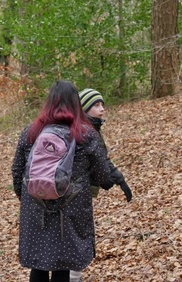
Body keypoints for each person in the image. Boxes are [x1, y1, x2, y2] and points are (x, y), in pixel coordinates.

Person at [11, 81, 111, 282]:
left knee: (38, 265)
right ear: (76, 103)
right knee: (63, 265)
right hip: (70, 208)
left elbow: (17, 171)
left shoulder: (30, 132)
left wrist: (30, 198)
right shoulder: (86, 134)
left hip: (35, 207)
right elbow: (103, 175)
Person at [69, 88, 133, 282]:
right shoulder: (83, 131)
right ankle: (73, 277)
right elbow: (94, 163)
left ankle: (73, 276)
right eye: (96, 105)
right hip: (74, 194)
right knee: (76, 237)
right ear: (84, 108)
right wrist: (106, 179)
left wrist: (118, 178)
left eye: (102, 104)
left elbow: (101, 159)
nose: (102, 109)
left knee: (77, 236)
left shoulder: (92, 128)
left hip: (78, 192)